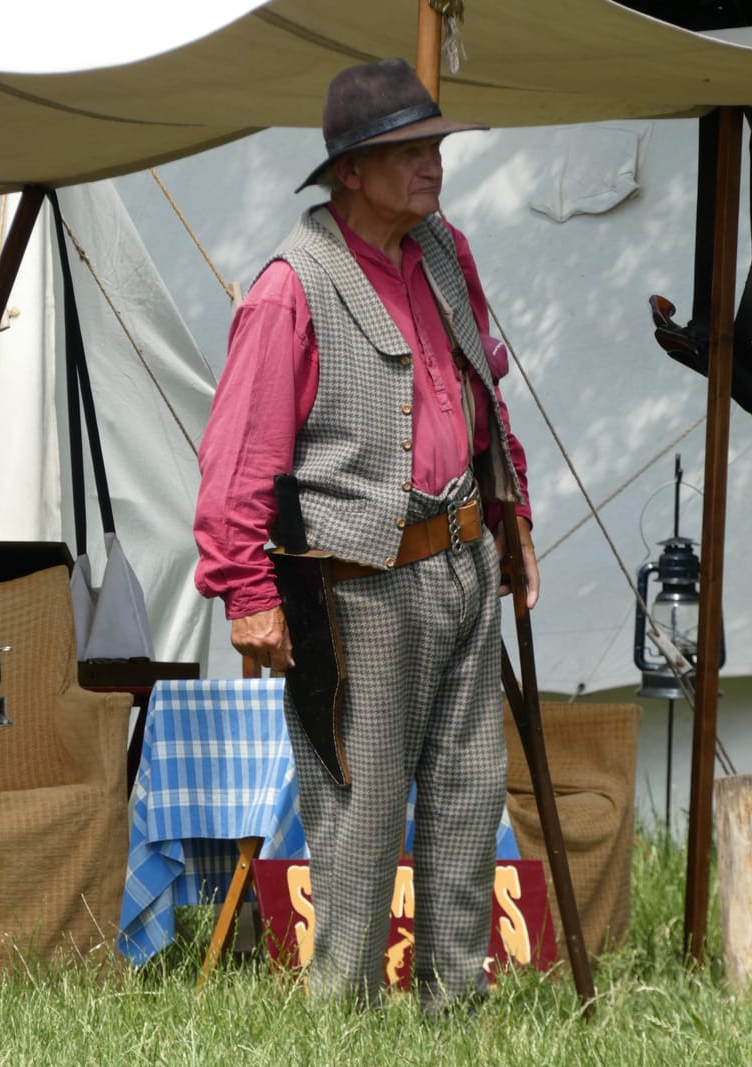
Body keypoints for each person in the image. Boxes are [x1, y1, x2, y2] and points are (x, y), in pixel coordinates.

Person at [194, 57, 539, 1013]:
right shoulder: (288, 288)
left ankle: (451, 1014)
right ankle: (341, 1021)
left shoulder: (445, 250)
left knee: (472, 801)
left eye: (433, 145)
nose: (433, 165)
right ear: (350, 170)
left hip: (464, 560)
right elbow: (236, 463)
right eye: (408, 151)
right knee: (358, 816)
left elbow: (480, 394)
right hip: (357, 587)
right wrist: (248, 593)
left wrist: (511, 518)